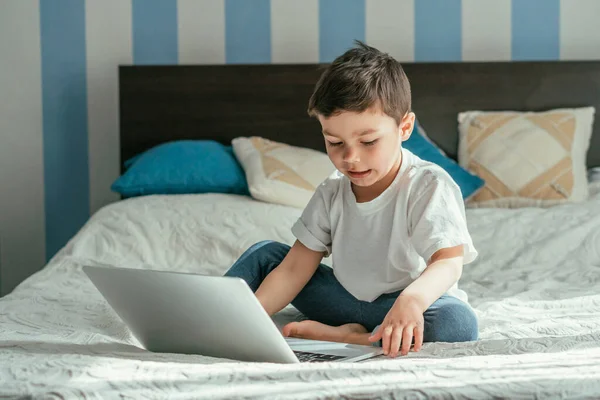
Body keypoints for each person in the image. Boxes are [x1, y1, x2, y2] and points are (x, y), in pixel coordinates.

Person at [225, 41, 479, 358]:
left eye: (368, 141)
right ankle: (220, 319)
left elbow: (448, 262)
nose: (351, 158)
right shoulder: (332, 190)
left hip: (401, 307)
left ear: (404, 127)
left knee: (457, 323)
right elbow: (294, 271)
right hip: (342, 301)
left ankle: (353, 339)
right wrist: (248, 322)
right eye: (334, 142)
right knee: (266, 255)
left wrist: (411, 300)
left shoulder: (428, 185)